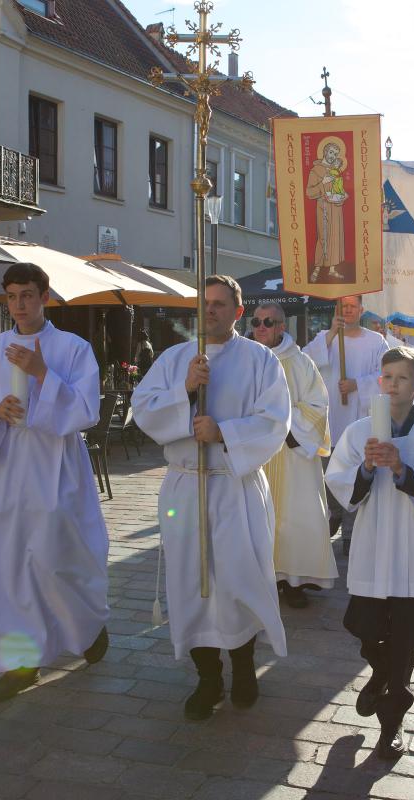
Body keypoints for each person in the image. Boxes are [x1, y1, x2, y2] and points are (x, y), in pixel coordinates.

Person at [132, 275, 290, 721]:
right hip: (187, 483)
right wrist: (183, 390)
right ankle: (207, 677)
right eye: (205, 304)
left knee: (238, 579)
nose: (211, 311)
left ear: (238, 312)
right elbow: (142, 408)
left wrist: (224, 432)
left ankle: (242, 667)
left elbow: (276, 421)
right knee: (192, 582)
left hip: (234, 485)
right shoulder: (175, 358)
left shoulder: (260, 360)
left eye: (221, 304)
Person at [0, 262, 110, 703]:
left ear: (45, 296)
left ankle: (87, 627)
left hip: (57, 463)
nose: (18, 305)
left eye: (27, 294)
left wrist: (44, 373)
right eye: (11, 296)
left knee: (57, 556)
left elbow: (87, 410)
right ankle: (20, 663)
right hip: (9, 465)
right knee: (8, 564)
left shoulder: (73, 348)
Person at [325, 347, 414, 759]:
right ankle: (380, 670)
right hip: (371, 543)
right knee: (362, 623)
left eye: (402, 378)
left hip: (411, 545)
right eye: (386, 377)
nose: (393, 384)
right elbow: (339, 481)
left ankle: (392, 721)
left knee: (404, 637)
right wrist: (366, 469)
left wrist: (404, 471)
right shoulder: (359, 430)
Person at [250, 302, 338, 608]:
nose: (261, 327)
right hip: (255, 452)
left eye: (268, 322)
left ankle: (293, 580)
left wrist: (285, 424)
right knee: (256, 515)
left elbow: (317, 407)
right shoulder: (245, 360)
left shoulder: (301, 363)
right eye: (257, 321)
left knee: (295, 517)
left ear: (281, 327)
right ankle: (259, 578)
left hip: (291, 451)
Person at [304, 295, 389, 545]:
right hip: (329, 419)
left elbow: (384, 376)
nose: (348, 310)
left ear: (361, 310)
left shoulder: (375, 341)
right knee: (329, 473)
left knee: (355, 474)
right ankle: (335, 513)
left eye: (353, 306)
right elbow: (306, 363)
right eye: (343, 306)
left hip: (357, 417)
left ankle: (352, 531)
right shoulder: (324, 339)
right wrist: (331, 335)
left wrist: (357, 385)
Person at [305, 139, 350, 282]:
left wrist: (343, 195)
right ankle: (317, 268)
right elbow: (309, 192)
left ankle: (332, 269)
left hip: (336, 209)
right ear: (325, 152)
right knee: (323, 236)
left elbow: (337, 188)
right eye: (331, 152)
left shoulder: (334, 171)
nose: (333, 156)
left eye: (336, 154)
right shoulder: (316, 170)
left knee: (335, 238)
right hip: (323, 207)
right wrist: (323, 182)